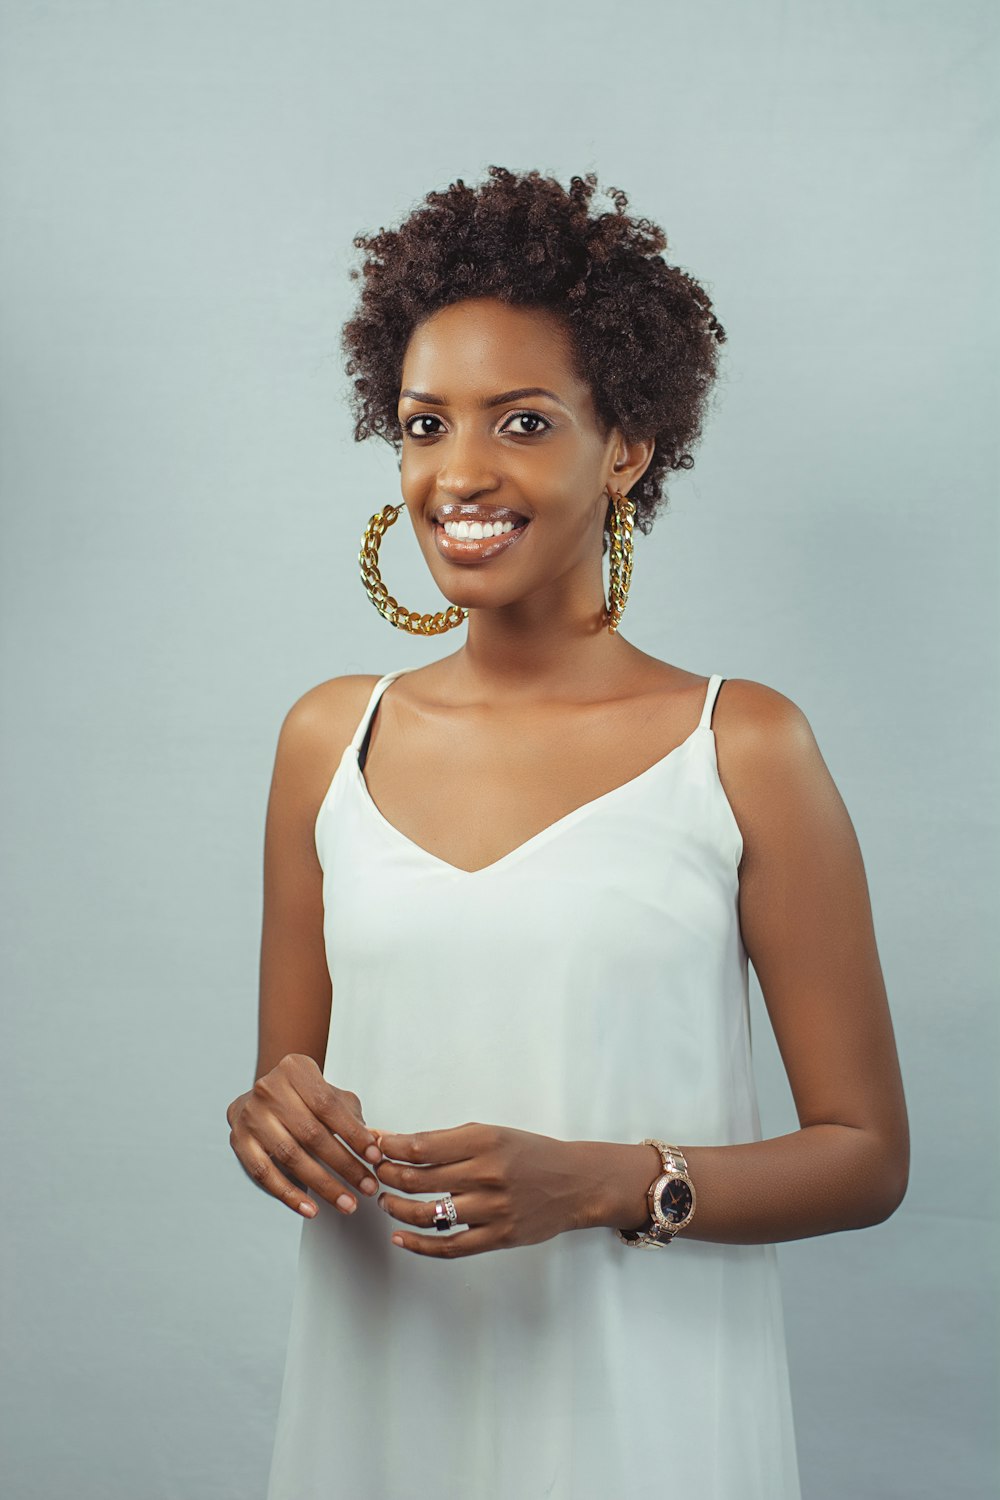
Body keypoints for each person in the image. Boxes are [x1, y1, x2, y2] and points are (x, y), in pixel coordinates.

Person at [226, 166, 909, 1500]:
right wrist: (273, 1118)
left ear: (629, 447)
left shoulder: (742, 747)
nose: (461, 474)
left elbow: (867, 1157)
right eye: (426, 425)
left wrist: (606, 1182)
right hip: (380, 1405)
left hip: (639, 1417)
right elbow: (290, 1082)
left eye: (523, 422)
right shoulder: (329, 739)